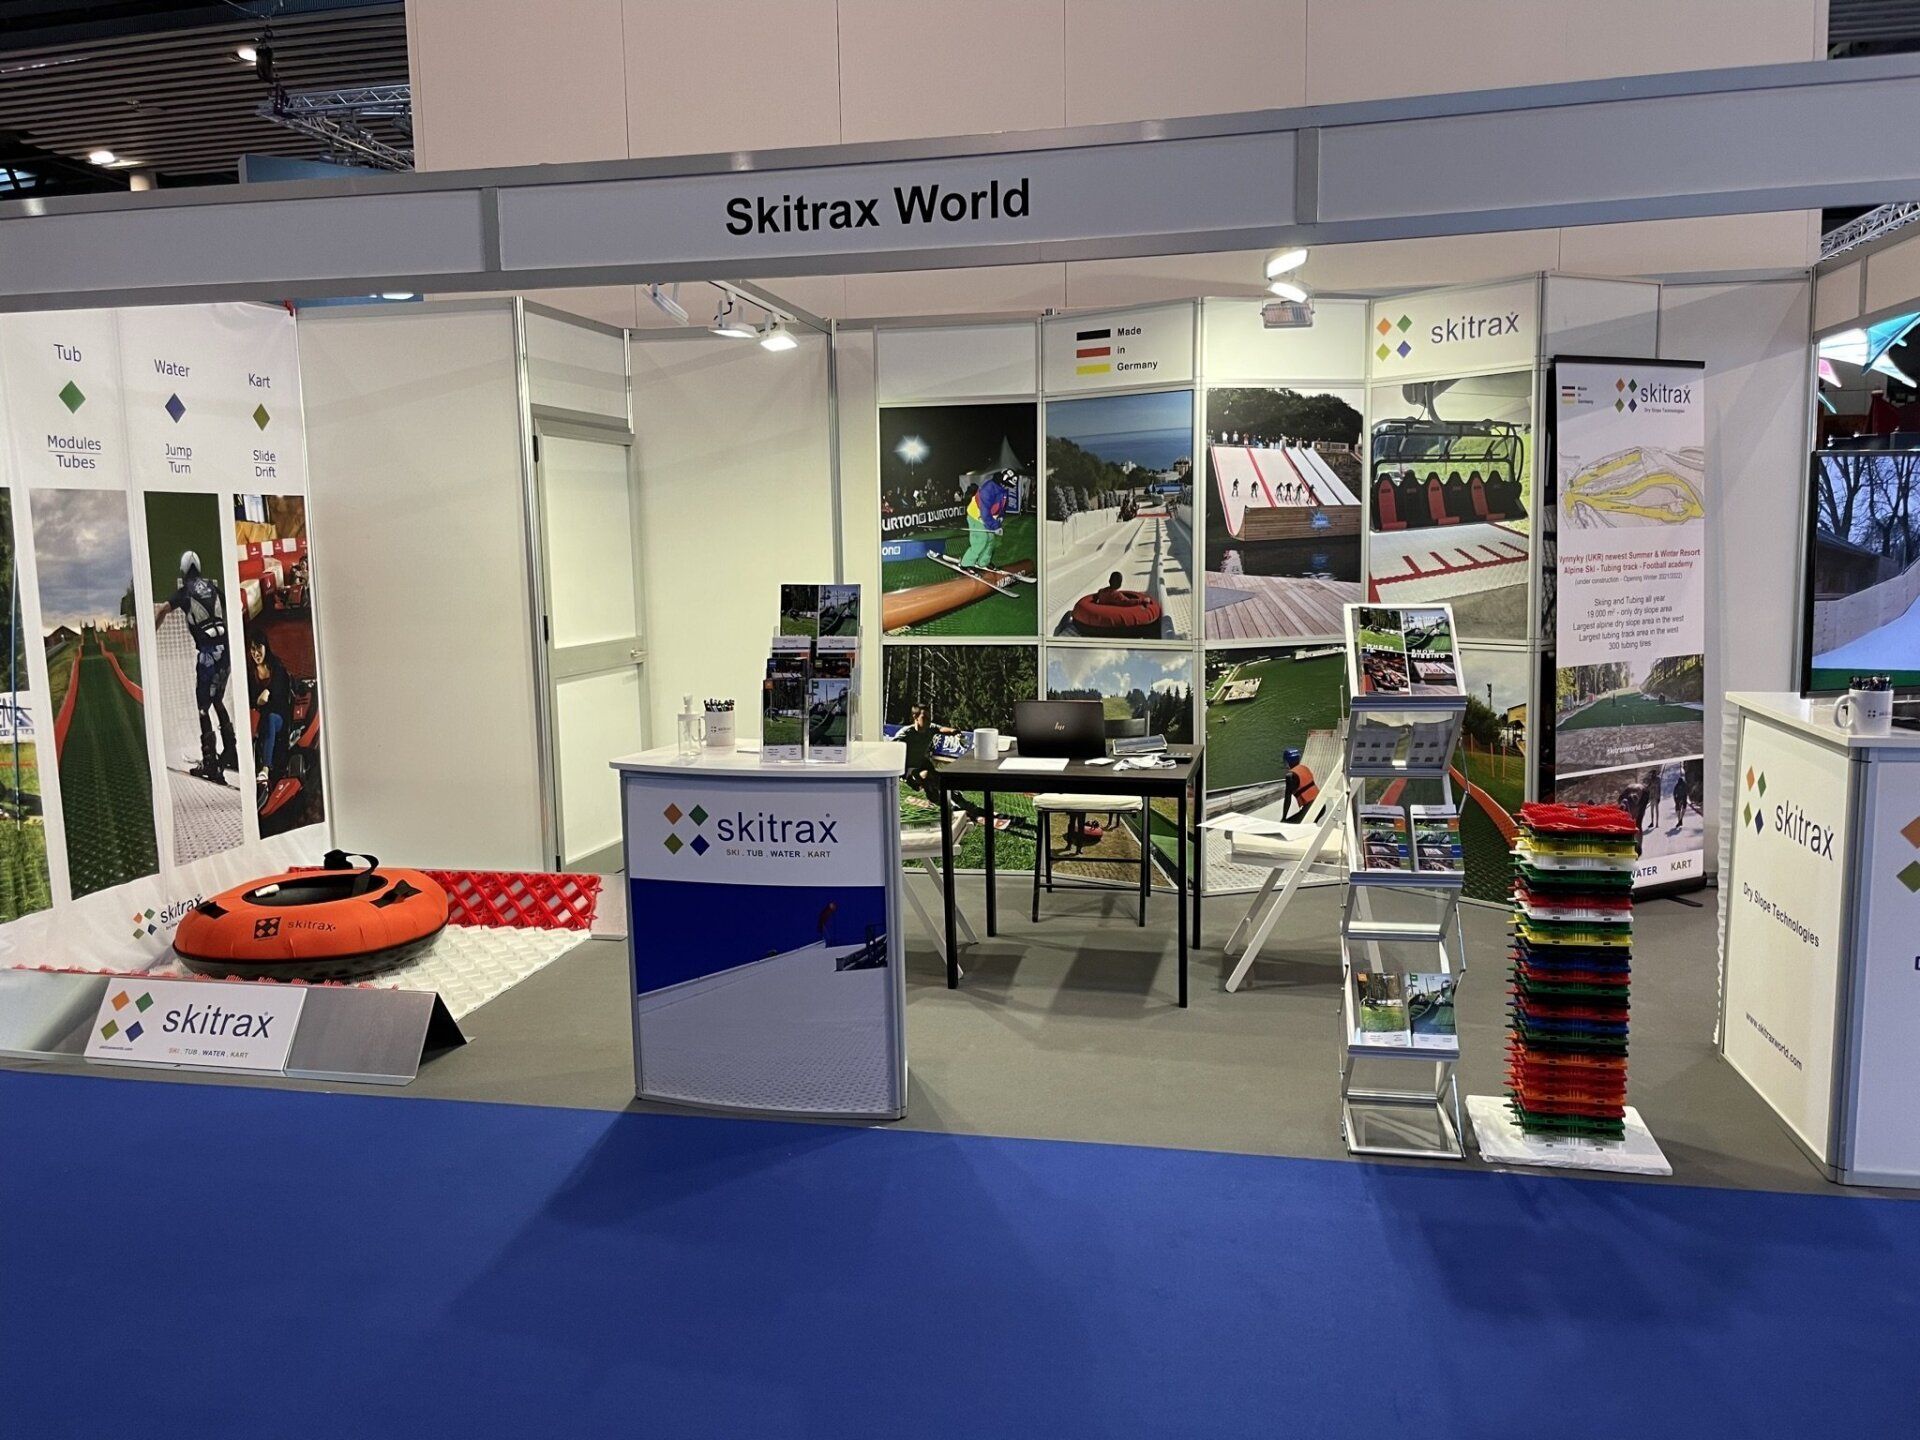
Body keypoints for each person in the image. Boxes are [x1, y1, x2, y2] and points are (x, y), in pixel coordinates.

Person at [152, 549, 237, 784]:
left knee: (203, 708)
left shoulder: (185, 592)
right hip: (226, 652)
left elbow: (162, 609)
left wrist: (150, 633)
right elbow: (233, 606)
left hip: (208, 655)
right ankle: (231, 752)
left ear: (183, 569)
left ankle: (210, 762)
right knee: (218, 699)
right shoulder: (214, 588)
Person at [248, 634, 294, 790]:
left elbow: (281, 695)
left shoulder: (277, 668)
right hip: (259, 715)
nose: (256, 653)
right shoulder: (250, 673)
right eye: (252, 649)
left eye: (258, 648)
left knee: (270, 719)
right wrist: (257, 701)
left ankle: (265, 769)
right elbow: (251, 698)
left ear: (265, 647)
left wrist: (269, 691)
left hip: (279, 717)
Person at [961, 468, 1010, 570]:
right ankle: (966, 563)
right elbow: (985, 512)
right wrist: (995, 527)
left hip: (988, 518)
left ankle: (983, 562)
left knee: (991, 540)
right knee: (981, 539)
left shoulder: (1003, 489)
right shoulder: (988, 489)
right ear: (1002, 481)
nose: (1007, 487)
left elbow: (1003, 505)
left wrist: (1000, 517)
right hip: (976, 516)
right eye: (1006, 484)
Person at [1282, 747, 1319, 823]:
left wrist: (1284, 818)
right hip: (1320, 803)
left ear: (1286, 761)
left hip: (1311, 808)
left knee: (1285, 824)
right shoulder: (1304, 768)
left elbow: (1287, 799)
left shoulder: (1290, 775)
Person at [1670, 768, 1692, 833]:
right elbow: (1687, 791)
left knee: (1678, 809)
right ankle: (1680, 819)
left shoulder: (1677, 785)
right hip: (1683, 798)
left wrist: (1675, 799)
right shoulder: (1684, 784)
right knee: (1682, 809)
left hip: (1679, 798)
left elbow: (1674, 793)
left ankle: (1679, 820)